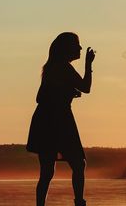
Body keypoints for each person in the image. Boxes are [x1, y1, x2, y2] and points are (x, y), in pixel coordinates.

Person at [26, 32, 95, 206]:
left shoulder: (53, 67)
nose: (80, 48)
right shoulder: (62, 67)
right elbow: (86, 87)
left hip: (47, 120)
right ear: (67, 49)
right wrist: (88, 64)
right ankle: (79, 202)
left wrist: (66, 91)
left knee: (47, 171)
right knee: (78, 164)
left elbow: (44, 94)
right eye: (76, 45)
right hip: (58, 121)